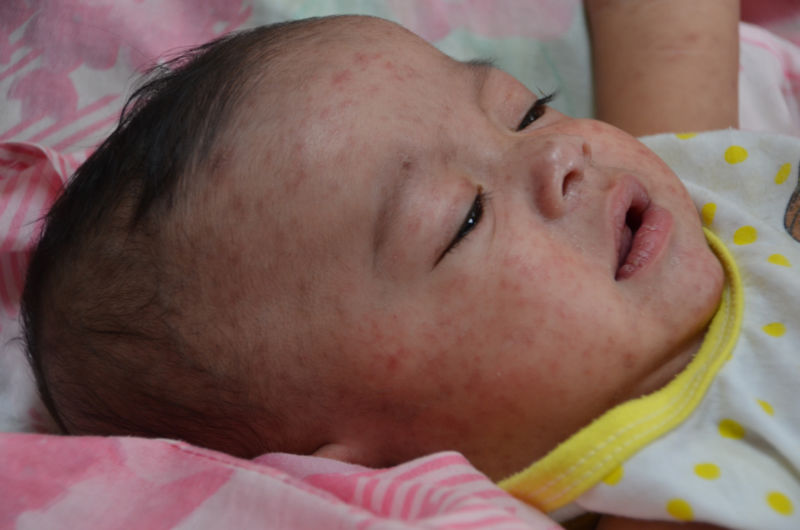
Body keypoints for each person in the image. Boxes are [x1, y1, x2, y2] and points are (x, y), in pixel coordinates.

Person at [19, 1, 800, 528]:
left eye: (526, 107)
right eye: (463, 220)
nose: (561, 153)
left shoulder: (679, 184)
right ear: (387, 468)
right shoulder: (688, 492)